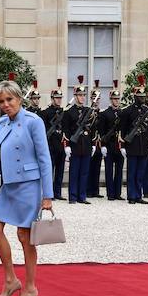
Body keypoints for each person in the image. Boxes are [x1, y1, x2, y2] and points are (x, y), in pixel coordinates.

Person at [0, 78, 53, 296]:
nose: (5, 104)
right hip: (8, 184)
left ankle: (30, 288)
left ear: (19, 99)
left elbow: (44, 158)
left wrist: (47, 195)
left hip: (29, 185)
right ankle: (11, 280)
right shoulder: (1, 124)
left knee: (24, 236)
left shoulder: (33, 121)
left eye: (9, 99)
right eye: (1, 101)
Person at [119, 75, 148, 204]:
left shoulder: (147, 111)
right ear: (135, 97)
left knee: (140, 173)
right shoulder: (127, 111)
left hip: (143, 145)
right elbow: (122, 129)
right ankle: (131, 196)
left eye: (144, 97)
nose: (143, 99)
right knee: (132, 172)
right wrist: (122, 146)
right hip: (131, 145)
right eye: (140, 97)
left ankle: (138, 195)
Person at [61, 76, 93, 204]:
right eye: (79, 95)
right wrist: (67, 145)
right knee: (74, 172)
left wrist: (92, 144)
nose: (82, 97)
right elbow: (66, 130)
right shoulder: (69, 112)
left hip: (85, 145)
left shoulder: (87, 111)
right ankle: (73, 196)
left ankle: (82, 196)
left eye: (83, 95)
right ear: (75, 96)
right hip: (74, 145)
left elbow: (91, 128)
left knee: (84, 172)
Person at [98, 80, 124, 201]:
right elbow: (102, 131)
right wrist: (102, 145)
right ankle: (110, 193)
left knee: (119, 170)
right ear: (110, 99)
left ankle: (118, 193)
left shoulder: (123, 113)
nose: (116, 101)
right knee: (109, 170)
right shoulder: (105, 113)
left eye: (118, 99)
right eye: (114, 99)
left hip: (119, 145)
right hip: (109, 145)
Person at [40, 79, 66, 201]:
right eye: (56, 97)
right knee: (49, 171)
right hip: (50, 145)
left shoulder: (63, 112)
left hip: (61, 144)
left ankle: (58, 192)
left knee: (60, 171)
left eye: (60, 97)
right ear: (52, 98)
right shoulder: (45, 113)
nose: (59, 100)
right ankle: (49, 193)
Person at [86, 81, 104, 199]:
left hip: (99, 143)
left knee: (97, 167)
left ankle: (95, 190)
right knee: (88, 167)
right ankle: (88, 190)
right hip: (90, 142)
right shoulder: (87, 112)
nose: (96, 101)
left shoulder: (102, 113)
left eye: (97, 99)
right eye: (94, 98)